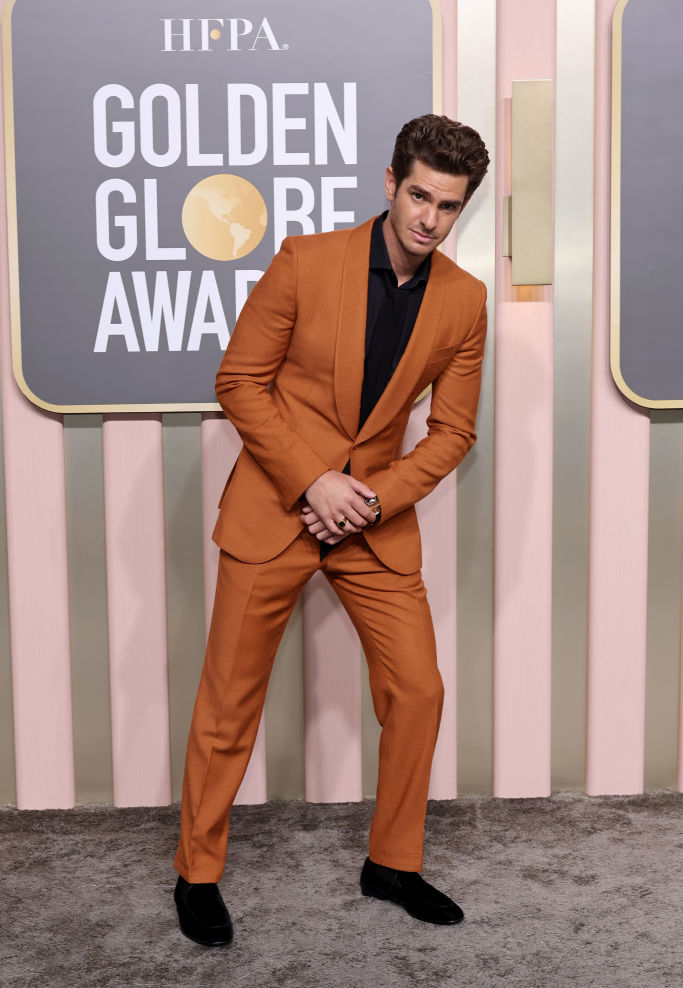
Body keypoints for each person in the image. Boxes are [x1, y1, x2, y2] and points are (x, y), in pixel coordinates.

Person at [173, 113, 490, 946]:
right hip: (276, 508)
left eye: (448, 206)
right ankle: (197, 872)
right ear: (391, 183)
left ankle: (391, 862)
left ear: (462, 211)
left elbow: (453, 433)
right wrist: (312, 479)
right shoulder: (306, 261)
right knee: (228, 703)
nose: (427, 218)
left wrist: (370, 498)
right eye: (418, 194)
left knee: (418, 689)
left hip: (371, 525)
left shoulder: (464, 301)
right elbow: (239, 380)